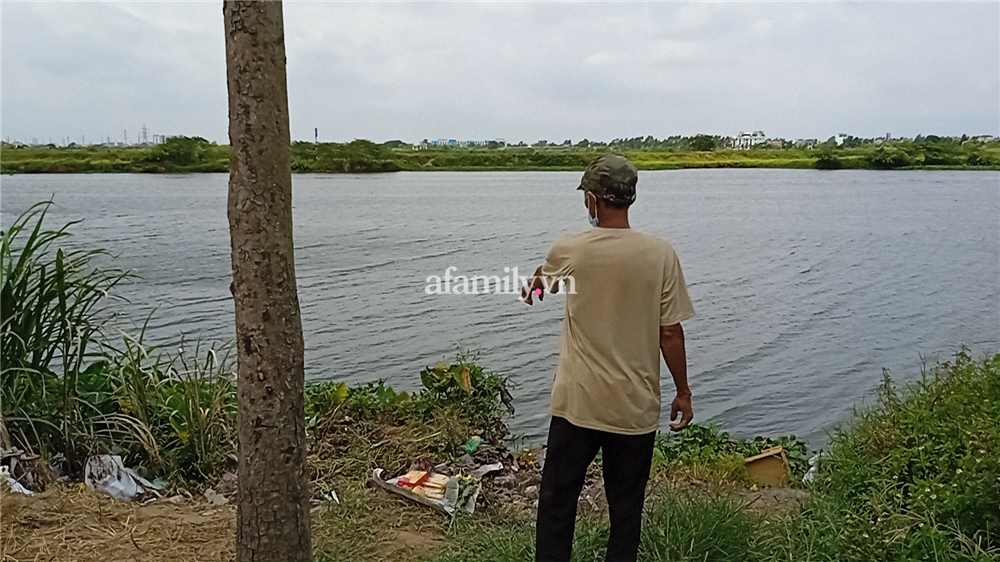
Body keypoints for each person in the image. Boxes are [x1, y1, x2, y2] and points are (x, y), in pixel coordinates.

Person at [521, 154, 695, 562]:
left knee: (557, 504)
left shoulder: (570, 250)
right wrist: (683, 391)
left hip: (578, 405)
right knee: (626, 512)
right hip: (634, 409)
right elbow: (669, 332)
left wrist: (535, 284)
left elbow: (538, 289)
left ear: (593, 201)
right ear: (629, 198)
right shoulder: (661, 254)